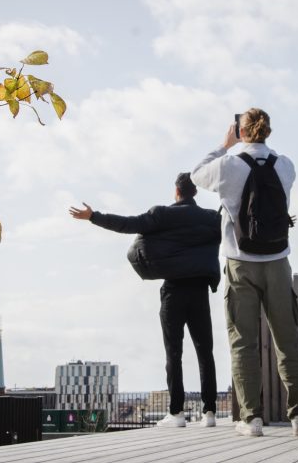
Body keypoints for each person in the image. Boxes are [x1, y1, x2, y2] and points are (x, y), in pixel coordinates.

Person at [191, 108, 298, 437]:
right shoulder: (285, 165)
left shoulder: (228, 165)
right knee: (288, 342)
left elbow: (195, 175)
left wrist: (223, 144)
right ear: (267, 131)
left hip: (240, 261)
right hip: (277, 261)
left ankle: (252, 418)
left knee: (243, 344)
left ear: (240, 131)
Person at [69, 173, 220, 428]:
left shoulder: (162, 215)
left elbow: (128, 224)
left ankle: (176, 413)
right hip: (199, 290)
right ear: (195, 192)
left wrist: (93, 217)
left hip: (173, 291)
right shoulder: (209, 218)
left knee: (174, 353)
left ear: (177, 191)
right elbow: (237, 228)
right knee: (205, 351)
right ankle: (210, 413)